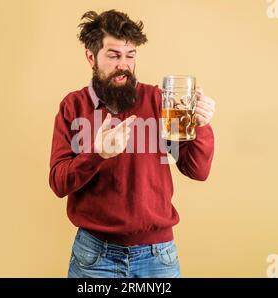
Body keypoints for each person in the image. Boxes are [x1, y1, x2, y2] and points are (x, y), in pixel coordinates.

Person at [48, 9, 215, 278]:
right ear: (91, 57)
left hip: (157, 257)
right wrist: (97, 154)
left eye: (130, 55)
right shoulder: (73, 106)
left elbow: (197, 170)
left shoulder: (161, 101)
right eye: (113, 56)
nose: (123, 64)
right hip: (94, 257)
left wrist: (202, 125)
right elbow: (58, 182)